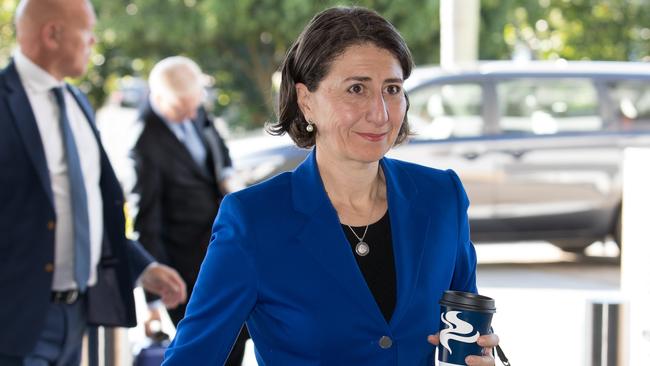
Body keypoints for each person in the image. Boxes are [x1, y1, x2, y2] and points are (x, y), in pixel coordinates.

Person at [163, 6, 499, 366]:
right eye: (356, 89)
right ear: (306, 101)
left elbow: (465, 327)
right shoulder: (254, 220)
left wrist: (477, 356)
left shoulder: (441, 197)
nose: (380, 113)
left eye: (392, 89)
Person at [0, 0, 187, 364]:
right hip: (14, 325)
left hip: (77, 317)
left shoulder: (77, 102)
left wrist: (142, 267)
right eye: (87, 31)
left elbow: (90, 206)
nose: (94, 41)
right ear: (53, 34)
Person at [129, 56, 248, 365]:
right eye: (184, 108)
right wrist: (152, 302)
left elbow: (220, 154)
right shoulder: (143, 144)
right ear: (159, 98)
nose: (193, 114)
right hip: (187, 276)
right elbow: (146, 222)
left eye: (196, 105)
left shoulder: (194, 108)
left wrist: (228, 179)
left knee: (237, 346)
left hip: (227, 256)